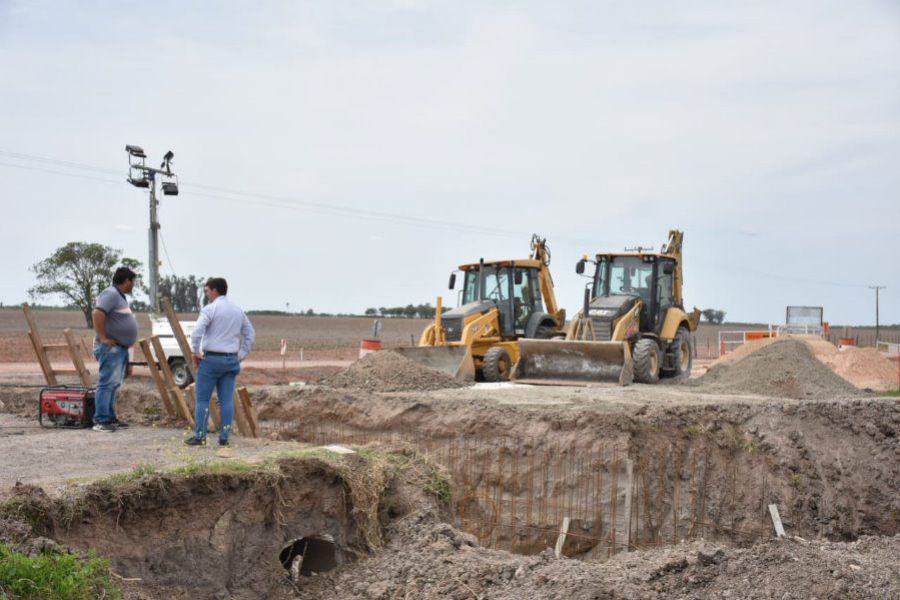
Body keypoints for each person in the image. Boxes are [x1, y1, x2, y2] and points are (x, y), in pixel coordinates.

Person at [185, 277, 255, 447]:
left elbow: (196, 333)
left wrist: (195, 352)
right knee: (227, 400)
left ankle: (200, 436)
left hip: (211, 360)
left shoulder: (210, 309)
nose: (207, 294)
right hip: (231, 360)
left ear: (215, 290)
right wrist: (240, 355)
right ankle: (224, 436)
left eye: (207, 290)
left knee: (202, 399)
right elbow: (250, 334)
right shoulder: (238, 311)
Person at [92, 266, 139, 432]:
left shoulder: (119, 297)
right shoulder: (110, 294)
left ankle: (110, 418)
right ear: (126, 281)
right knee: (106, 383)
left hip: (119, 348)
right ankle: (101, 420)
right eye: (132, 281)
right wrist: (103, 338)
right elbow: (98, 314)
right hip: (110, 348)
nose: (133, 285)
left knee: (113, 384)